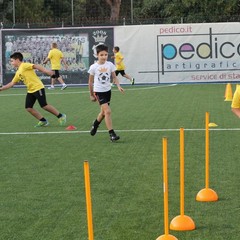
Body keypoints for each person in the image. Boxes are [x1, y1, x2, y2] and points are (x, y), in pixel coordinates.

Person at [0, 52, 67, 127]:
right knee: (28, 108)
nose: (11, 63)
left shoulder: (24, 65)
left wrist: (47, 71)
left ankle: (61, 116)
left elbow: (36, 66)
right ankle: (43, 121)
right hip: (31, 90)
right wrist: (1, 89)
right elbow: (11, 83)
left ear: (17, 60)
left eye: (12, 61)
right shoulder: (18, 72)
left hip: (38, 87)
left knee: (44, 105)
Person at [88, 44, 124, 142]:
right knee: (108, 111)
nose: (104, 57)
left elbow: (114, 77)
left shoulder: (110, 65)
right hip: (99, 92)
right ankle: (112, 134)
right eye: (101, 55)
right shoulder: (93, 67)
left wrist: (119, 86)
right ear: (97, 55)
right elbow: (90, 82)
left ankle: (95, 125)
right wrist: (91, 94)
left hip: (108, 91)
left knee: (103, 113)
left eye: (106, 55)